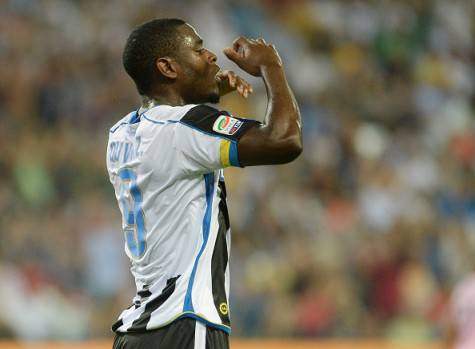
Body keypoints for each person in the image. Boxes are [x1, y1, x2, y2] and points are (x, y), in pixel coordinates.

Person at [107, 18, 302, 349]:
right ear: (168, 67)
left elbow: (171, 134)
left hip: (137, 333)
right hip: (185, 323)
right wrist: (272, 64)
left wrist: (203, 90)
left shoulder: (120, 133)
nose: (211, 56)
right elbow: (285, 140)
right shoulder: (184, 126)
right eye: (198, 49)